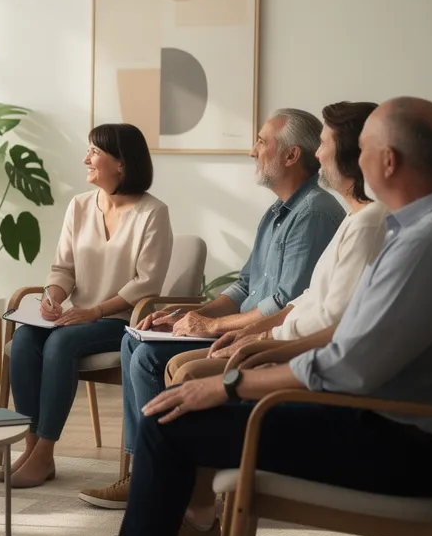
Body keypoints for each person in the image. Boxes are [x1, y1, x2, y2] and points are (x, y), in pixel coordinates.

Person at [34, 97, 432, 536]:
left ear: (388, 160)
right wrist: (261, 352)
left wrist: (230, 384)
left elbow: (348, 365)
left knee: (171, 420)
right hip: (396, 428)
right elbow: (352, 336)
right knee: (177, 411)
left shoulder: (425, 245)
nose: (345, 157)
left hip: (393, 447)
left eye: (361, 147)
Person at [79, 109, 344, 516]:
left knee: (148, 357)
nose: (252, 151)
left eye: (262, 142)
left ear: (291, 155)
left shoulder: (314, 213)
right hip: (239, 327)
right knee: (136, 346)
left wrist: (212, 324)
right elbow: (243, 287)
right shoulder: (278, 212)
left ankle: (162, 477)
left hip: (260, 340)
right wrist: (188, 315)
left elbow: (283, 304)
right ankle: (146, 472)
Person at [165, 102, 388, 386]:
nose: (317, 155)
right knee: (172, 363)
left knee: (183, 370)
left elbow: (331, 318)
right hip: (282, 339)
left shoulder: (349, 220)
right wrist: (208, 320)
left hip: (307, 359)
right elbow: (303, 298)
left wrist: (259, 337)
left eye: (323, 144)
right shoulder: (348, 217)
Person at [5, 124, 172, 489]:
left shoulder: (153, 213)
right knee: (24, 340)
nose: (86, 159)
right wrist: (52, 297)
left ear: (121, 163)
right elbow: (62, 268)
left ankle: (45, 451)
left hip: (122, 319)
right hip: (75, 317)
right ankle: (31, 448)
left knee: (61, 343)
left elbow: (147, 283)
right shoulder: (80, 206)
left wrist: (95, 311)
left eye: (94, 152)